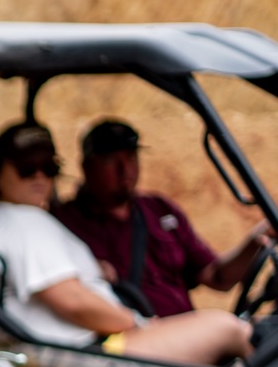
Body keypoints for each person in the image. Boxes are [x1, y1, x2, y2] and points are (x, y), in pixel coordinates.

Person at [0, 122, 250, 364]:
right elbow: (73, 301)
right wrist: (136, 323)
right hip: (91, 355)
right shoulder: (21, 221)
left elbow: (216, 275)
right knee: (228, 328)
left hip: (89, 347)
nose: (39, 177)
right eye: (26, 168)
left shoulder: (16, 220)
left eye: (49, 167)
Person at [54, 119, 272, 318]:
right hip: (131, 343)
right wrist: (89, 270)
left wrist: (255, 241)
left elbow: (216, 277)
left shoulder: (159, 208)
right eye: (112, 161)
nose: (125, 170)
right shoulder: (65, 224)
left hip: (188, 336)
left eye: (131, 158)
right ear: (87, 166)